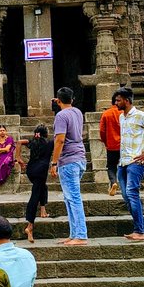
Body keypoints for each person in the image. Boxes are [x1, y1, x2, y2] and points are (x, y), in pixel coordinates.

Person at [114, 87, 144, 241]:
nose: (116, 103)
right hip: (123, 161)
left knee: (131, 193)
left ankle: (139, 231)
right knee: (126, 195)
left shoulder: (141, 116)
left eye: (118, 100)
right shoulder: (122, 117)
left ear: (127, 101)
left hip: (136, 161)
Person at [50, 86, 88, 246]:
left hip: (68, 159)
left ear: (58, 100)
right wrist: (60, 102)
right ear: (72, 100)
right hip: (79, 157)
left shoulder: (61, 115)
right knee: (69, 197)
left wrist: (54, 162)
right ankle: (74, 233)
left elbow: (60, 140)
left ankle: (81, 235)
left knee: (73, 198)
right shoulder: (77, 112)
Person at [16, 124, 53, 244]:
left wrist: (18, 158)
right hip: (41, 172)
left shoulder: (33, 141)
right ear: (45, 134)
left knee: (43, 187)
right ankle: (30, 226)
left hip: (31, 171)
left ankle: (43, 210)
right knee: (34, 196)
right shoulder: (49, 143)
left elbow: (19, 142)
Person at [98, 94, 122, 197]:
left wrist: (105, 142)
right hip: (124, 145)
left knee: (111, 166)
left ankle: (113, 182)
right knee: (125, 165)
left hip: (111, 144)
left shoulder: (106, 114)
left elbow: (102, 131)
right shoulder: (124, 113)